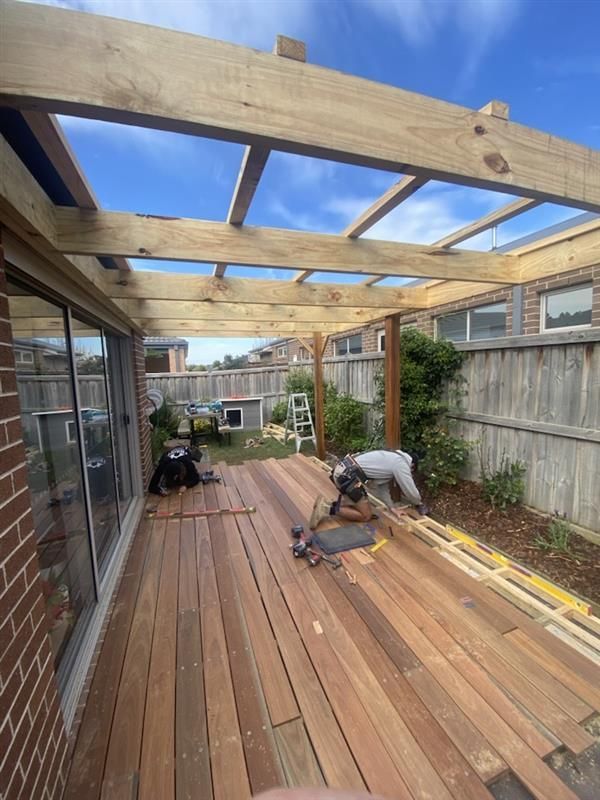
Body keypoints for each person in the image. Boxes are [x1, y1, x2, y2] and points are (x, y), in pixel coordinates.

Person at [309, 449, 428, 530]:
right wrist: (419, 503)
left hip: (342, 472)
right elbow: (410, 490)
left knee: (358, 505)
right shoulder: (400, 464)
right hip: (348, 477)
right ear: (412, 466)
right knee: (365, 515)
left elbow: (382, 488)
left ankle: (327, 503)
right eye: (411, 471)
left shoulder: (391, 456)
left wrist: (392, 508)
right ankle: (327, 508)